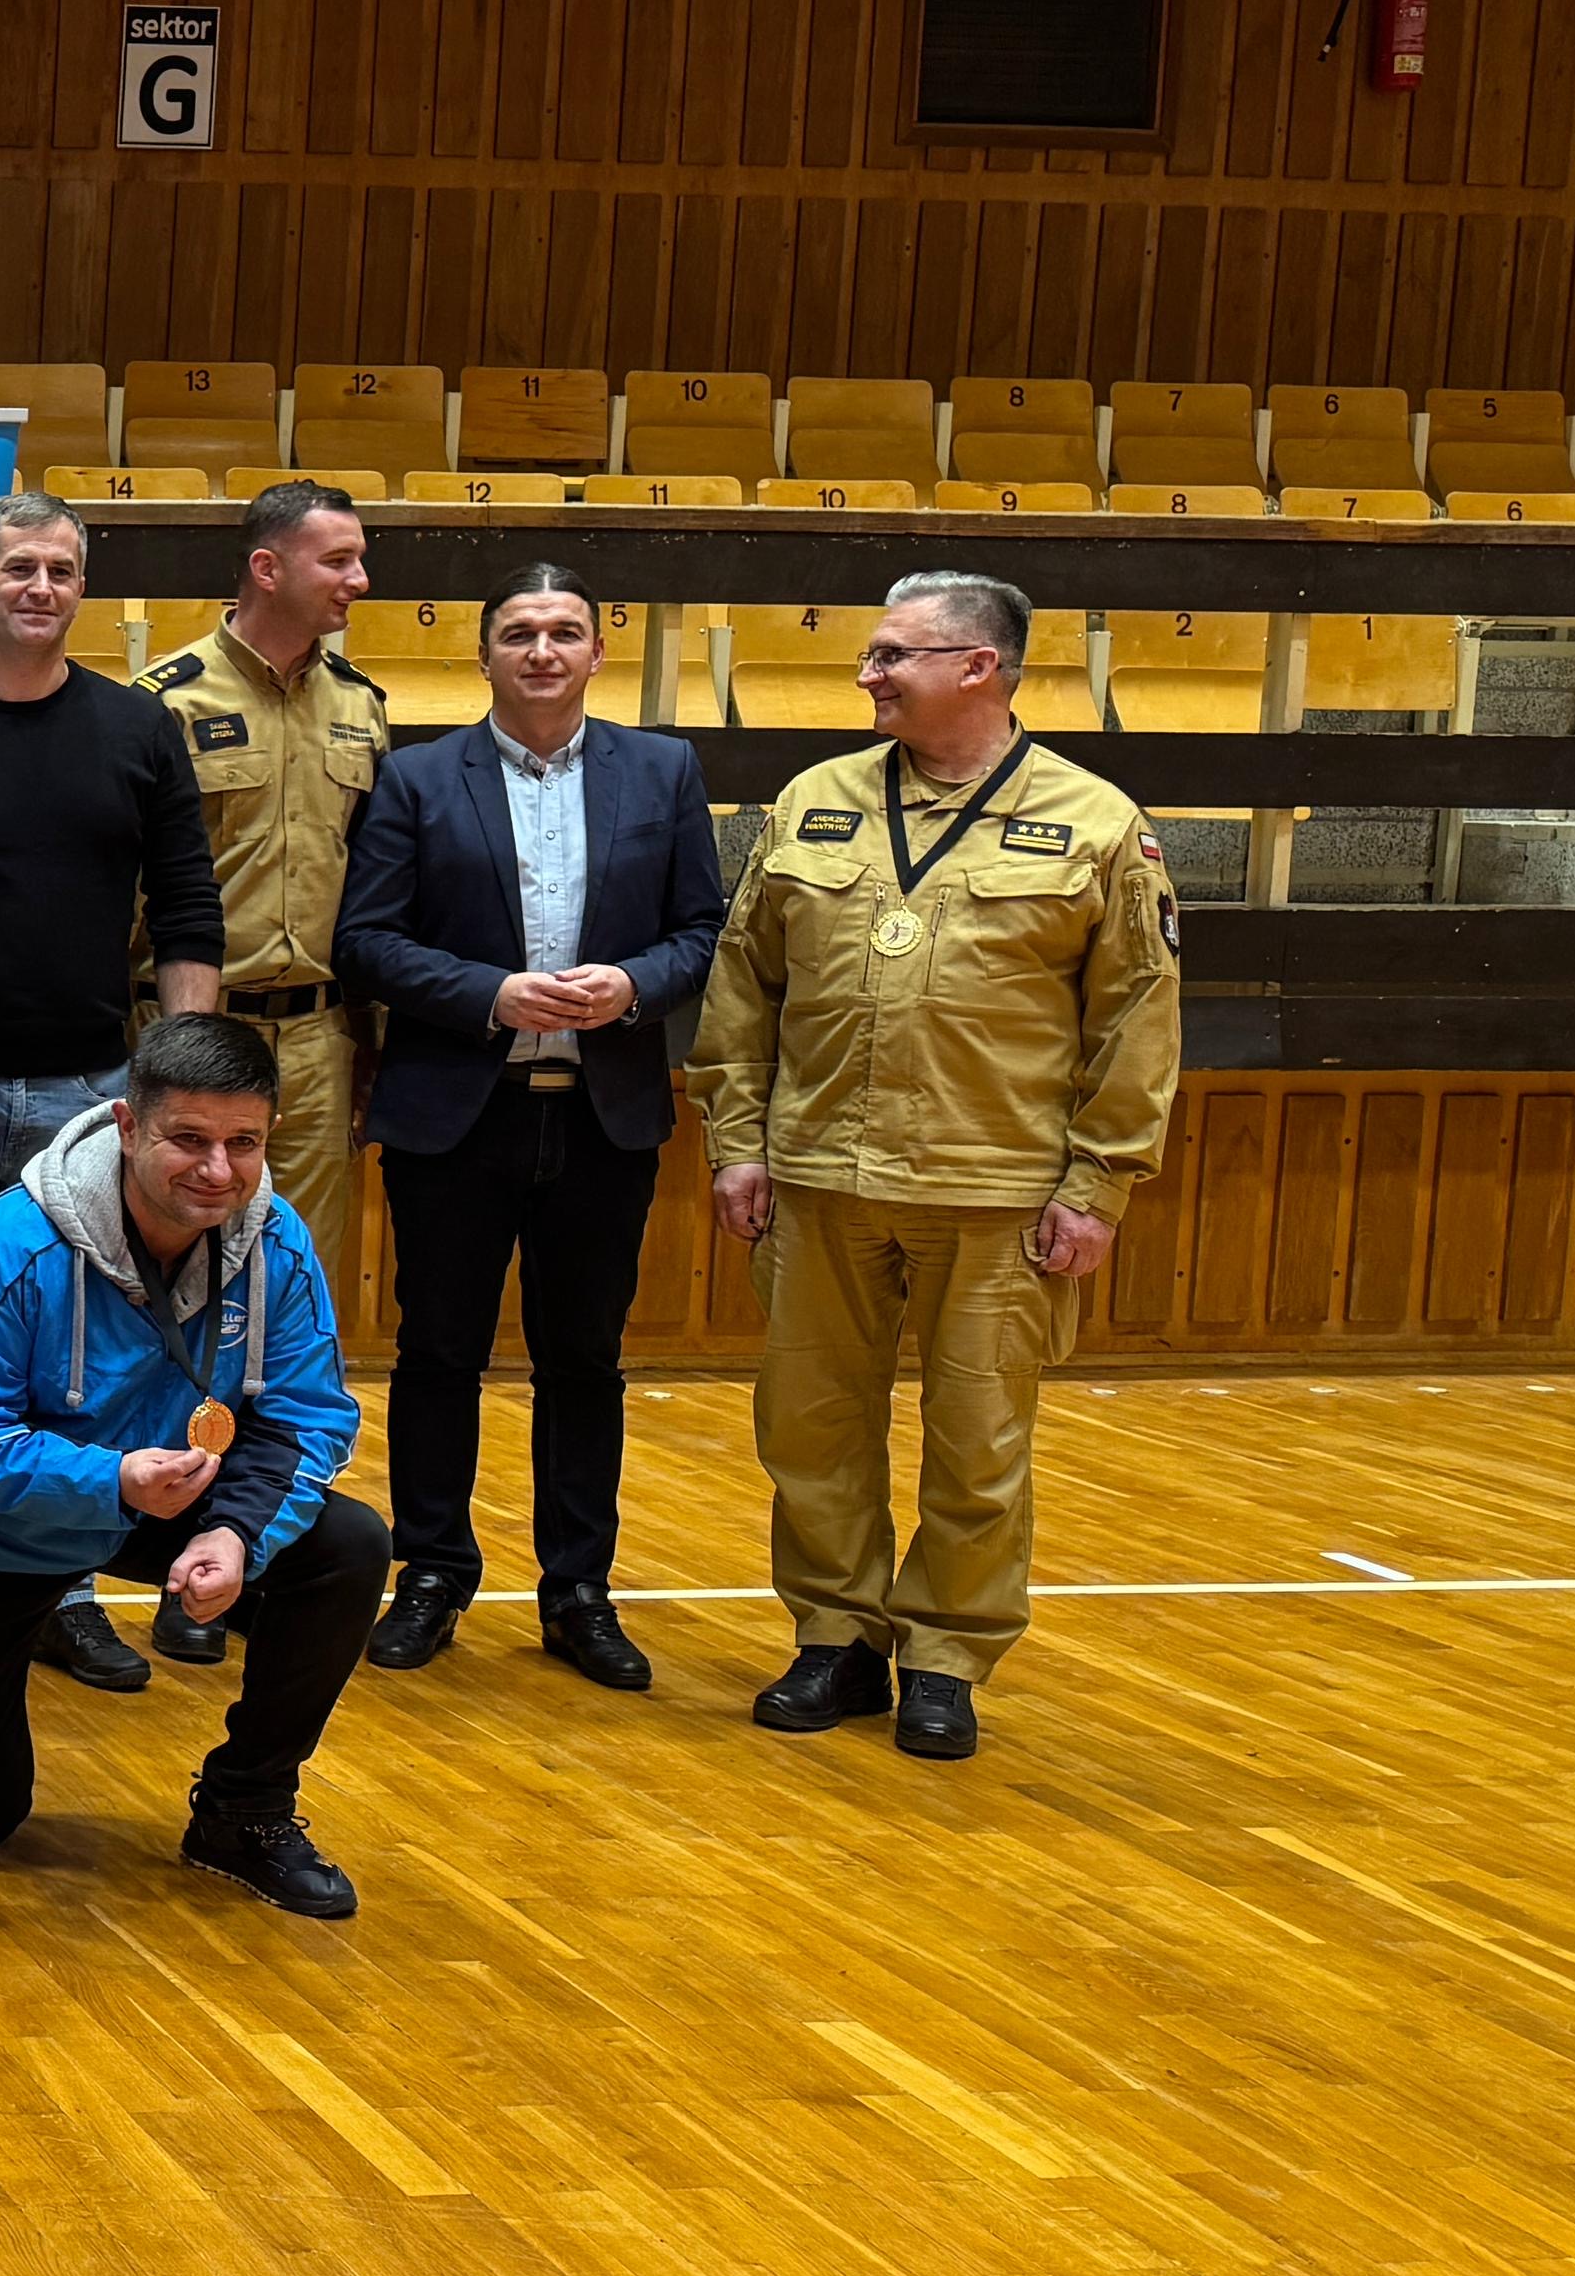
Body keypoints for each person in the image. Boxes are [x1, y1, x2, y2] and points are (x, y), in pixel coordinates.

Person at [692, 572, 1183, 1764]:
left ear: (977, 668)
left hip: (995, 1189)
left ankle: (946, 1658)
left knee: (977, 1443)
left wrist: (1097, 1185)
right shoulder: (812, 801)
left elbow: (1136, 1019)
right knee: (809, 1430)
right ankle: (833, 1636)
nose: (866, 674)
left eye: (891, 655)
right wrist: (737, 1140)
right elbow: (741, 986)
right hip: (818, 1177)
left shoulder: (1095, 823)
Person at [333, 567, 724, 1691]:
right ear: (484, 655)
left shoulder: (663, 770)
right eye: (518, 634)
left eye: (563, 632)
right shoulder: (415, 777)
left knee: (584, 1361)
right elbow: (366, 940)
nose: (541, 651)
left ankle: (577, 1591)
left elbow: (703, 930)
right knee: (436, 1354)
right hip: (458, 1113)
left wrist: (636, 985)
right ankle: (431, 1572)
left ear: (598, 650)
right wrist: (488, 994)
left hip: (604, 1115)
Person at [0, 1013, 377, 1919]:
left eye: (244, 1144)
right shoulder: (12, 1245)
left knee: (348, 1546)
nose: (218, 1170)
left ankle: (244, 1810)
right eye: (188, 1140)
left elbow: (307, 1415)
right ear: (127, 1126)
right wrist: (109, 1481)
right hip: (3, 1536)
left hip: (169, 1501)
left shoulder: (276, 1243)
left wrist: (237, 1534)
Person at [0, 492, 222, 1696]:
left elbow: (186, 909)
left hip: (93, 1095)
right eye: (18, 568)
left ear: (82, 588)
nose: (39, 587)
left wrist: (179, 1084)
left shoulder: (138, 727)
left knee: (80, 1355)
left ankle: (61, 1588)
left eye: (61, 570)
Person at [132, 480, 387, 1662]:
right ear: (266, 566)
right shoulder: (165, 703)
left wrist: (369, 1043)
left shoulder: (362, 708)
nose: (358, 582)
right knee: (170, 1308)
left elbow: (373, 885)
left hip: (315, 1044)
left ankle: (253, 1554)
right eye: (338, 560)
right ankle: (164, 1555)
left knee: (286, 1310)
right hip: (192, 1035)